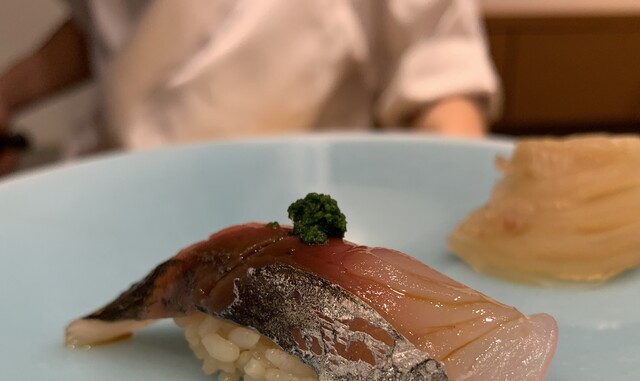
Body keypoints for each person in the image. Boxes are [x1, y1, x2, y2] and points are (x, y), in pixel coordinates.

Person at [0, 0, 500, 174]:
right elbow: (103, 27)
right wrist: (7, 95)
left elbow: (441, 74)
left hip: (294, 208)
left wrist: (461, 191)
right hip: (109, 180)